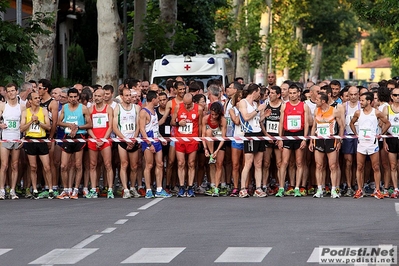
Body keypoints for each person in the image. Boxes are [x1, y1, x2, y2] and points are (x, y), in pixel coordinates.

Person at [350, 92, 391, 199]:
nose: (360, 102)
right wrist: (356, 134)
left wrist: (381, 135)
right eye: (360, 100)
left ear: (369, 101)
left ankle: (377, 190)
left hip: (372, 143)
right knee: (359, 166)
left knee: (376, 167)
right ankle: (359, 189)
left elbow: (387, 123)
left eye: (362, 100)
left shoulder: (376, 112)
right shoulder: (358, 113)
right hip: (361, 143)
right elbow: (351, 123)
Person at [57, 88, 92, 199]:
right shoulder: (65, 107)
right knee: (63, 165)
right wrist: (69, 125)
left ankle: (76, 189)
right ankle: (66, 189)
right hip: (67, 136)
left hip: (79, 136)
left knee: (78, 165)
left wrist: (77, 127)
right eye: (70, 97)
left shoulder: (84, 108)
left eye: (75, 97)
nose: (73, 99)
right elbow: (59, 122)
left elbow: (89, 124)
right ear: (68, 97)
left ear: (78, 97)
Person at [276, 84, 310, 197]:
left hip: (299, 135)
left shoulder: (303, 106)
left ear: (298, 93)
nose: (292, 95)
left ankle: (297, 187)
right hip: (287, 134)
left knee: (299, 162)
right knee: (284, 162)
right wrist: (280, 138)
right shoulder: (284, 106)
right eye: (290, 93)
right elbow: (281, 123)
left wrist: (304, 139)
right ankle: (281, 188)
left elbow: (306, 124)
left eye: (294, 93)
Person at [309, 92, 344, 198]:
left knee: (333, 166)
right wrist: (311, 141)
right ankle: (320, 189)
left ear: (323, 101)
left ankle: (334, 189)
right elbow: (314, 127)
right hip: (319, 140)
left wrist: (339, 141)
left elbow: (341, 126)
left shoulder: (334, 111)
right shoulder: (316, 110)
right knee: (319, 165)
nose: (315, 101)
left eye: (317, 100)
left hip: (331, 139)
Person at [20, 92, 53, 199]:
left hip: (42, 139)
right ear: (30, 101)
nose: (38, 100)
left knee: (47, 166)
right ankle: (34, 189)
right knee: (33, 166)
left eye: (39, 98)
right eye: (35, 98)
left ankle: (51, 189)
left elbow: (48, 127)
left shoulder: (44, 111)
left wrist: (38, 122)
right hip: (30, 140)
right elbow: (21, 128)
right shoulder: (26, 112)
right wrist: (31, 121)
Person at [139, 91, 171, 198]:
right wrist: (149, 143)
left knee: (160, 164)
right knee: (149, 165)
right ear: (153, 99)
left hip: (157, 140)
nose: (159, 100)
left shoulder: (154, 111)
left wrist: (161, 138)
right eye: (157, 98)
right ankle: (148, 189)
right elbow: (142, 130)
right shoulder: (144, 112)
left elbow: (155, 127)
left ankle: (159, 189)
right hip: (149, 141)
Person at [238, 83, 267, 198]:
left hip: (258, 133)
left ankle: (258, 188)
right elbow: (246, 117)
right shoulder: (243, 102)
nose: (259, 95)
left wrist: (264, 115)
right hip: (249, 134)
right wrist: (257, 109)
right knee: (248, 162)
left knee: (258, 163)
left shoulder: (256, 103)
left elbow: (257, 119)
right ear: (254, 91)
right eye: (258, 92)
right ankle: (242, 188)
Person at [172, 93, 203, 197]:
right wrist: (178, 123)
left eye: (188, 104)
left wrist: (200, 139)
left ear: (192, 102)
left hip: (192, 139)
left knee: (191, 163)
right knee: (180, 163)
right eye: (184, 104)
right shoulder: (178, 107)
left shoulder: (199, 109)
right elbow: (171, 121)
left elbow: (200, 124)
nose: (186, 106)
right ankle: (181, 186)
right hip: (180, 138)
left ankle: (190, 187)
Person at [113, 87, 141, 198]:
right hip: (122, 139)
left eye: (130, 95)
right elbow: (114, 127)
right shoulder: (118, 108)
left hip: (133, 139)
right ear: (122, 97)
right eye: (126, 95)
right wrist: (125, 139)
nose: (129, 97)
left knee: (134, 166)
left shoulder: (136, 108)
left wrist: (134, 138)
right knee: (124, 164)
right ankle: (125, 189)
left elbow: (138, 124)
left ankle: (133, 187)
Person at [86, 88, 114, 198]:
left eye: (99, 96)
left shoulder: (109, 109)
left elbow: (111, 126)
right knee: (92, 165)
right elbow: (88, 126)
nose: (96, 98)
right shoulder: (90, 109)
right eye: (95, 96)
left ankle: (110, 189)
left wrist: (103, 139)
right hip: (93, 139)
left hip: (105, 140)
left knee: (108, 164)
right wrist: (95, 138)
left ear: (103, 97)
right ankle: (93, 189)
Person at [0, 83, 26, 200]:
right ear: (6, 92)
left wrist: (23, 138)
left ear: (17, 91)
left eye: (13, 90)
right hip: (5, 138)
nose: (11, 93)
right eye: (9, 91)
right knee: (4, 165)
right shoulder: (2, 106)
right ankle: (1, 190)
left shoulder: (21, 107)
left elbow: (24, 125)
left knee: (15, 165)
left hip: (16, 138)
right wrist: (0, 124)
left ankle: (13, 190)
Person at [202, 102, 227, 197]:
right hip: (210, 142)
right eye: (212, 114)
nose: (213, 116)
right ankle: (213, 185)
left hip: (220, 142)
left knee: (219, 164)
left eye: (216, 115)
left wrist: (217, 151)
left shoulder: (223, 120)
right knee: (212, 164)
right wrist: (206, 149)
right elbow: (203, 135)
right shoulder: (205, 119)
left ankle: (217, 187)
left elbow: (224, 138)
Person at [261, 85, 283, 194]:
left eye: (273, 93)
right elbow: (260, 121)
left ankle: (280, 185)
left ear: (278, 95)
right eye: (269, 93)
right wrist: (266, 135)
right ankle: (264, 185)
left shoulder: (282, 105)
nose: (270, 95)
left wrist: (280, 137)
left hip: (278, 137)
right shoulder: (265, 104)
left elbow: (283, 123)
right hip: (267, 137)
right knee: (266, 163)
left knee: (279, 163)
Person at [382, 88, 399, 198]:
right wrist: (384, 141)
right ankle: (396, 188)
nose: (398, 97)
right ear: (391, 96)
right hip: (391, 139)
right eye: (396, 95)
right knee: (392, 166)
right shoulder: (386, 108)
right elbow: (383, 126)